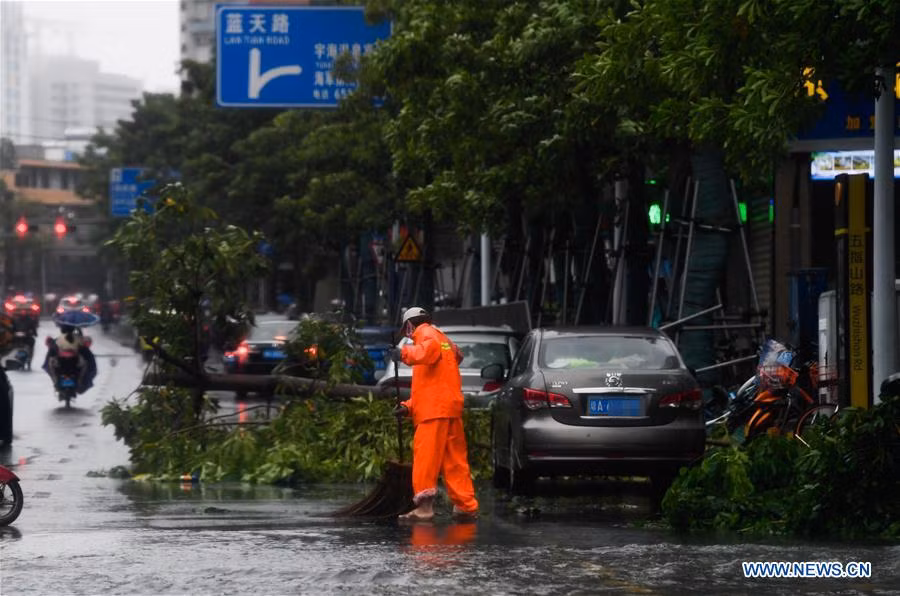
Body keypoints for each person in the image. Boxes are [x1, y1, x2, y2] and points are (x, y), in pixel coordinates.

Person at [391, 307, 479, 521]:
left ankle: (424, 509)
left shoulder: (425, 334)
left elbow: (426, 354)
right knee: (455, 462)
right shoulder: (443, 339)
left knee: (426, 460)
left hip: (433, 413)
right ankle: (466, 506)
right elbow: (435, 383)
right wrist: (408, 407)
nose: (408, 336)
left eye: (406, 331)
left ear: (410, 325)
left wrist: (402, 353)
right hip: (449, 408)